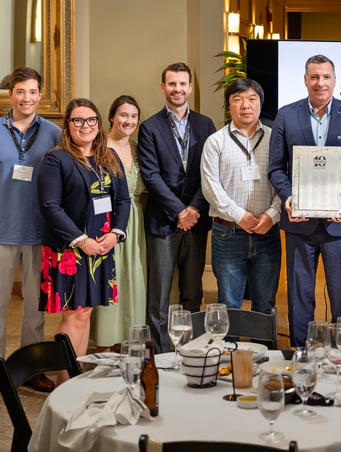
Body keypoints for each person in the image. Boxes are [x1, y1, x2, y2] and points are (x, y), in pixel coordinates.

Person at [268, 54, 341, 347]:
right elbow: (276, 168)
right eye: (314, 77)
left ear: (334, 80)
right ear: (305, 80)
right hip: (299, 223)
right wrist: (289, 197)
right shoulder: (286, 115)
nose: (320, 83)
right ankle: (302, 357)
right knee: (300, 296)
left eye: (326, 77)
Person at [0, 66, 61, 399]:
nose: (26, 98)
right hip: (0, 231)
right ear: (11, 94)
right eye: (20, 91)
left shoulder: (53, 133)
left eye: (32, 92)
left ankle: (32, 366)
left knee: (36, 305)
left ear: (40, 95)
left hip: (39, 231)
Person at [37, 98, 130, 375]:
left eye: (91, 120)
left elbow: (123, 200)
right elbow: (49, 206)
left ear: (99, 124)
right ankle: (64, 381)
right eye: (78, 120)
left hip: (102, 247)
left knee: (86, 312)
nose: (85, 125)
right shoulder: (56, 159)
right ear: (68, 126)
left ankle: (76, 374)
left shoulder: (109, 158)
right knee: (73, 314)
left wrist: (116, 233)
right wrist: (80, 240)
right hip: (69, 248)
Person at [138, 62, 216, 352]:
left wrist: (194, 209)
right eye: (172, 84)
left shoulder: (205, 124)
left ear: (190, 88)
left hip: (196, 222)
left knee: (192, 294)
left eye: (183, 84)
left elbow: (209, 172)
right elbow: (151, 175)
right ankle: (160, 357)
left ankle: (191, 352)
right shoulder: (149, 127)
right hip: (163, 222)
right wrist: (179, 211)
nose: (178, 89)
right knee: (158, 297)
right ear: (163, 87)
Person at [201, 78, 281, 313]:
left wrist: (271, 215)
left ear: (260, 103)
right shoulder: (215, 142)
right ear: (229, 106)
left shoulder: (275, 138)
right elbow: (210, 187)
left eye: (251, 99)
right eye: (238, 100)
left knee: (265, 303)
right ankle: (229, 350)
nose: (245, 105)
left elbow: (284, 181)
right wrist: (240, 216)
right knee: (229, 302)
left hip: (268, 232)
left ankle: (264, 349)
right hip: (228, 233)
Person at [91, 95, 148, 349]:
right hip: (107, 222)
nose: (129, 121)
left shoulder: (139, 147)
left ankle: (130, 342)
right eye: (123, 115)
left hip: (136, 222)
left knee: (134, 278)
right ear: (112, 117)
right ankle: (104, 345)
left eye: (134, 116)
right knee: (110, 279)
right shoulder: (98, 147)